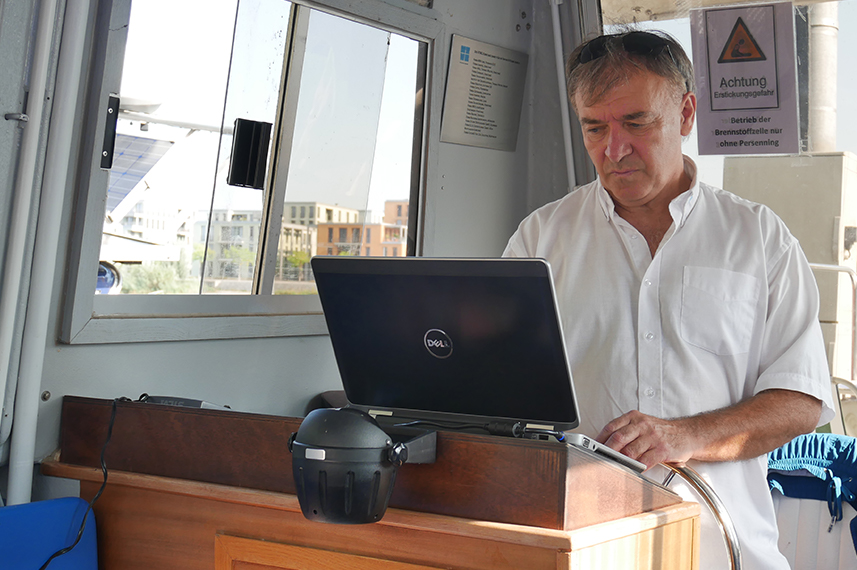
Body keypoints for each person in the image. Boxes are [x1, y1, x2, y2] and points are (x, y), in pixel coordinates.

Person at [503, 30, 835, 569]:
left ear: (685, 115)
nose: (614, 149)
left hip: (724, 551)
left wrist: (685, 436)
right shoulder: (539, 240)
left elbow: (800, 401)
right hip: (588, 548)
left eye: (636, 123)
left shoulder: (759, 239)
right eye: (594, 127)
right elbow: (498, 387)